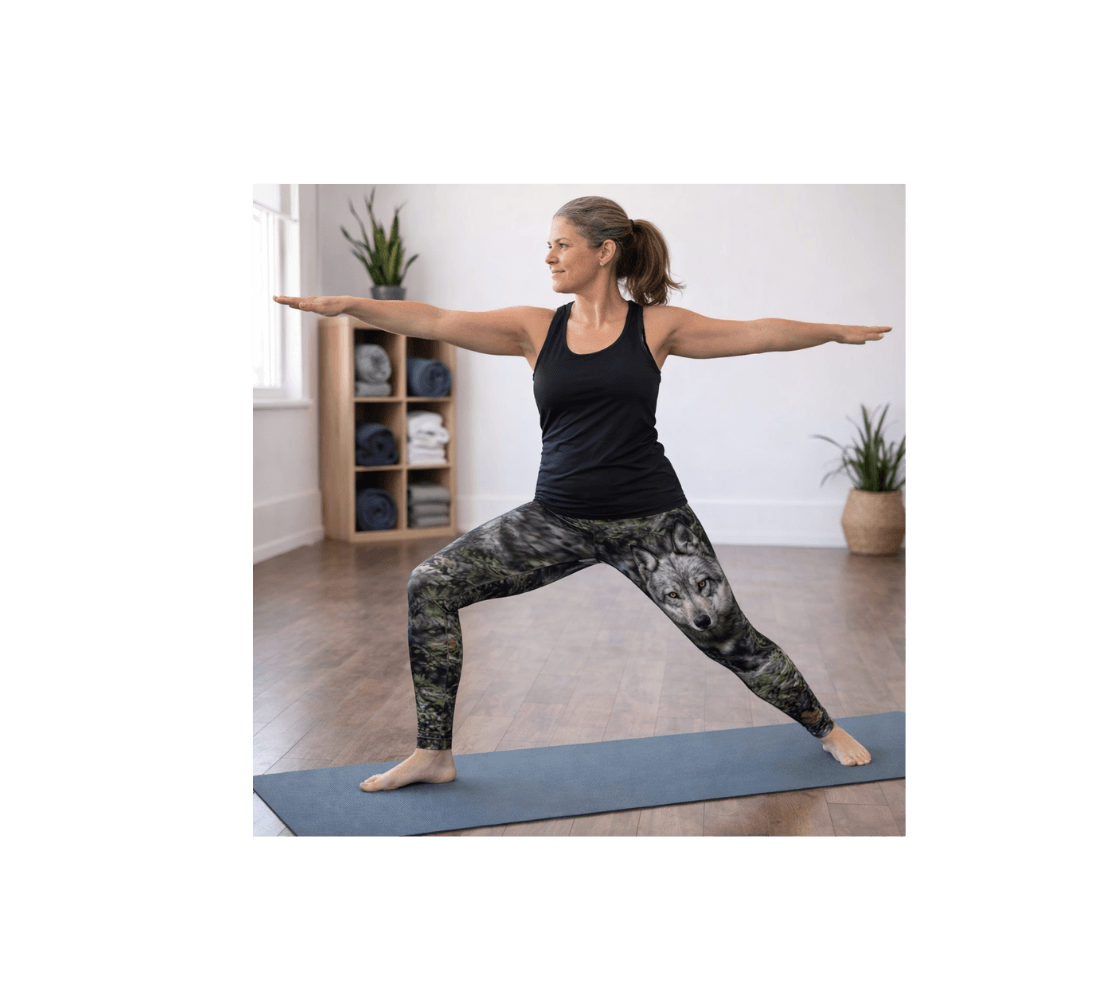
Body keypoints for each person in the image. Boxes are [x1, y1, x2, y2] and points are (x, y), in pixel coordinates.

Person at [276, 195, 890, 793]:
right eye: (548, 246)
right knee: (429, 583)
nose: (548, 257)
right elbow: (436, 321)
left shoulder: (656, 326)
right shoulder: (534, 328)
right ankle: (433, 754)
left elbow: (757, 332)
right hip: (557, 519)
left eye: (560, 245)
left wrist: (833, 331)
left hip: (653, 522)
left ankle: (827, 728)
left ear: (604, 252)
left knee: (731, 639)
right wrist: (352, 305)